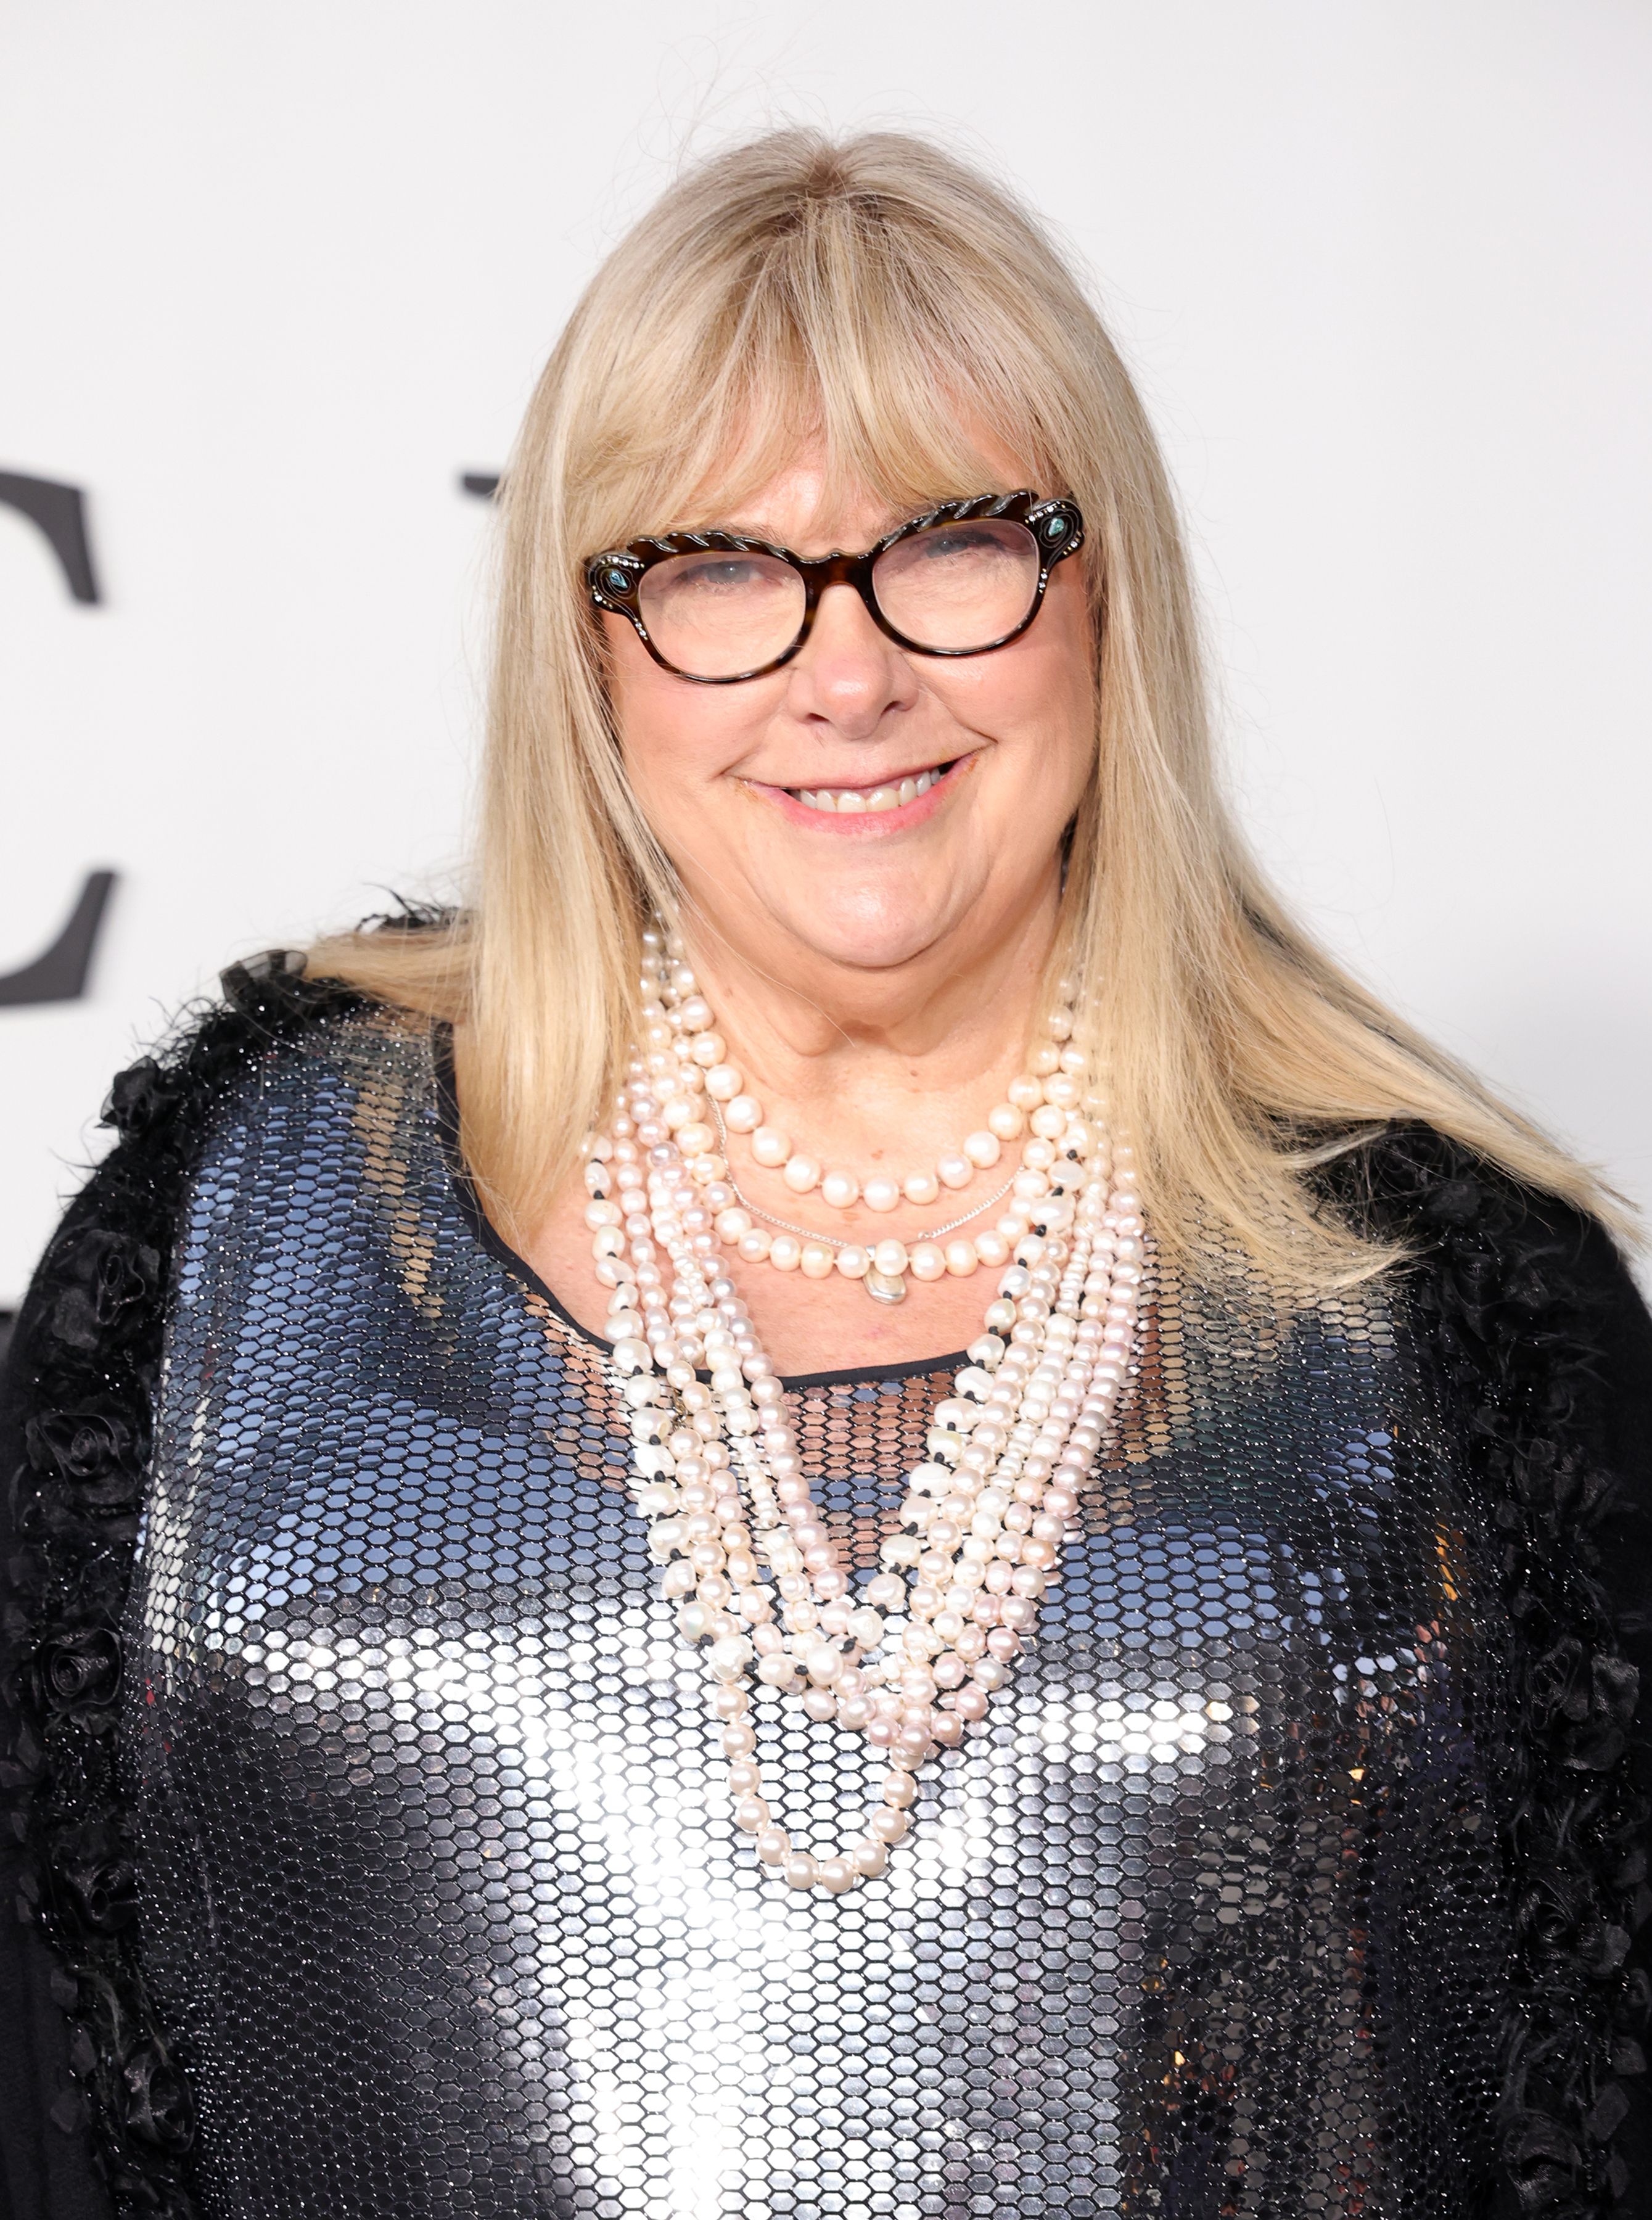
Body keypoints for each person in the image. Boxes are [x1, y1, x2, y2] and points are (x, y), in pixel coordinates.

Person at [2, 127, 1649, 2220]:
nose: (847, 675)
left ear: (1105, 595)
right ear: (589, 646)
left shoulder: (1456, 1294)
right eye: (720, 571)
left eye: (954, 545)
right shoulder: (236, 1226)